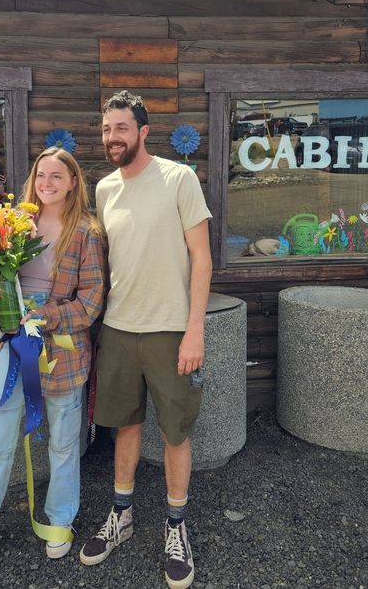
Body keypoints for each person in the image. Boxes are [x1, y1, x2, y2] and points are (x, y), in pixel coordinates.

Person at [79, 91, 212, 589]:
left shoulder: (179, 179)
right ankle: (122, 516)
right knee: (125, 427)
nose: (112, 137)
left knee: (175, 432)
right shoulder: (104, 189)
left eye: (121, 128)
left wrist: (194, 328)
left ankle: (175, 528)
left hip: (171, 330)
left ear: (142, 131)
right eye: (107, 129)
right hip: (117, 328)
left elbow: (201, 257)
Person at [0, 147, 105, 573]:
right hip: (12, 342)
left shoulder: (86, 232)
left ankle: (60, 520)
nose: (47, 184)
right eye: (41, 176)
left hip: (63, 350)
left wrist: (49, 315)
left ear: (73, 181)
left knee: (63, 441)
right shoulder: (16, 224)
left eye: (57, 177)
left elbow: (91, 302)